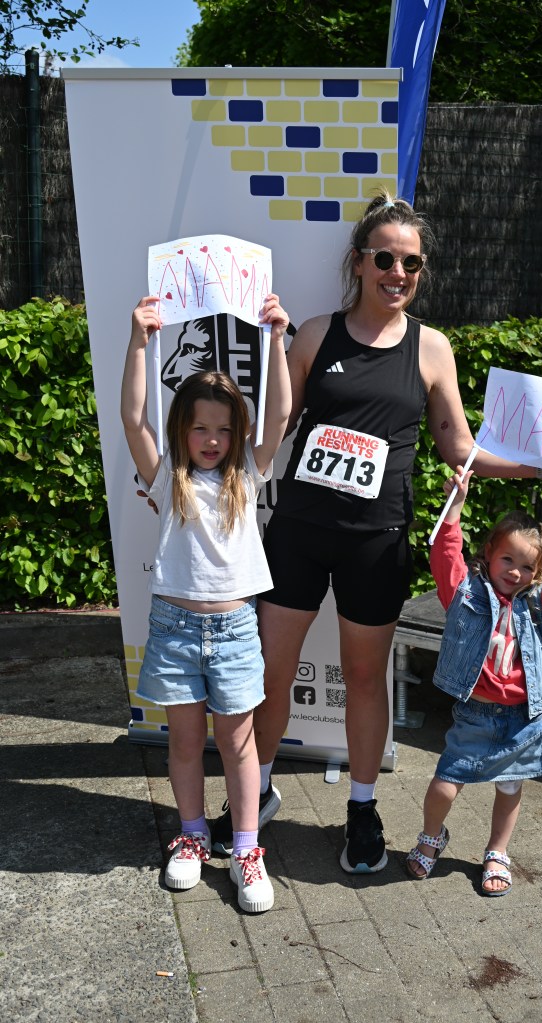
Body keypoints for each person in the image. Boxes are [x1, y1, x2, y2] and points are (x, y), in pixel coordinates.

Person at [211, 188, 542, 875]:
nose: (398, 273)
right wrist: (204, 462)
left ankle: (362, 809)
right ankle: (255, 794)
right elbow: (273, 428)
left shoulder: (431, 348)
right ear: (359, 261)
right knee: (270, 675)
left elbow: (461, 448)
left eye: (411, 263)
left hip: (376, 539)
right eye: (386, 258)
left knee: (366, 678)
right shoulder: (315, 335)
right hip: (299, 530)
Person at [120, 293, 291, 912]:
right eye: (200, 428)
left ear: (236, 433)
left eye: (223, 429)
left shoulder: (248, 471)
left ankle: (245, 849)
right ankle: (191, 837)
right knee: (185, 744)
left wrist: (277, 340)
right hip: (173, 628)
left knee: (240, 745)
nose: (212, 440)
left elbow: (280, 415)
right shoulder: (167, 476)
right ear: (182, 431)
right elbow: (133, 418)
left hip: (237, 630)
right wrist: (139, 342)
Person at [406, 468, 542, 894]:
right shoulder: (465, 592)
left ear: (539, 572)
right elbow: (445, 555)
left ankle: (497, 850)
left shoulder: (540, 606)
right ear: (489, 554)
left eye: (528, 566)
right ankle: (431, 836)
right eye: (508, 560)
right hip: (475, 714)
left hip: (522, 717)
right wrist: (456, 505)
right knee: (445, 785)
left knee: (511, 786)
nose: (515, 572)